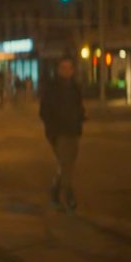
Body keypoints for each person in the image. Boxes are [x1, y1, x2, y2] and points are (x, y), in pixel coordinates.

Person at [39, 57, 86, 213]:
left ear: (73, 70)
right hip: (58, 133)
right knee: (65, 163)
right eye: (63, 68)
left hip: (73, 131)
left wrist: (80, 118)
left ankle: (55, 192)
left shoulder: (75, 88)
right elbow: (44, 111)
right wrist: (51, 129)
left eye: (69, 68)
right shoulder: (52, 88)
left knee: (67, 165)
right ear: (58, 70)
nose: (66, 71)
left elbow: (79, 107)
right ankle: (69, 194)